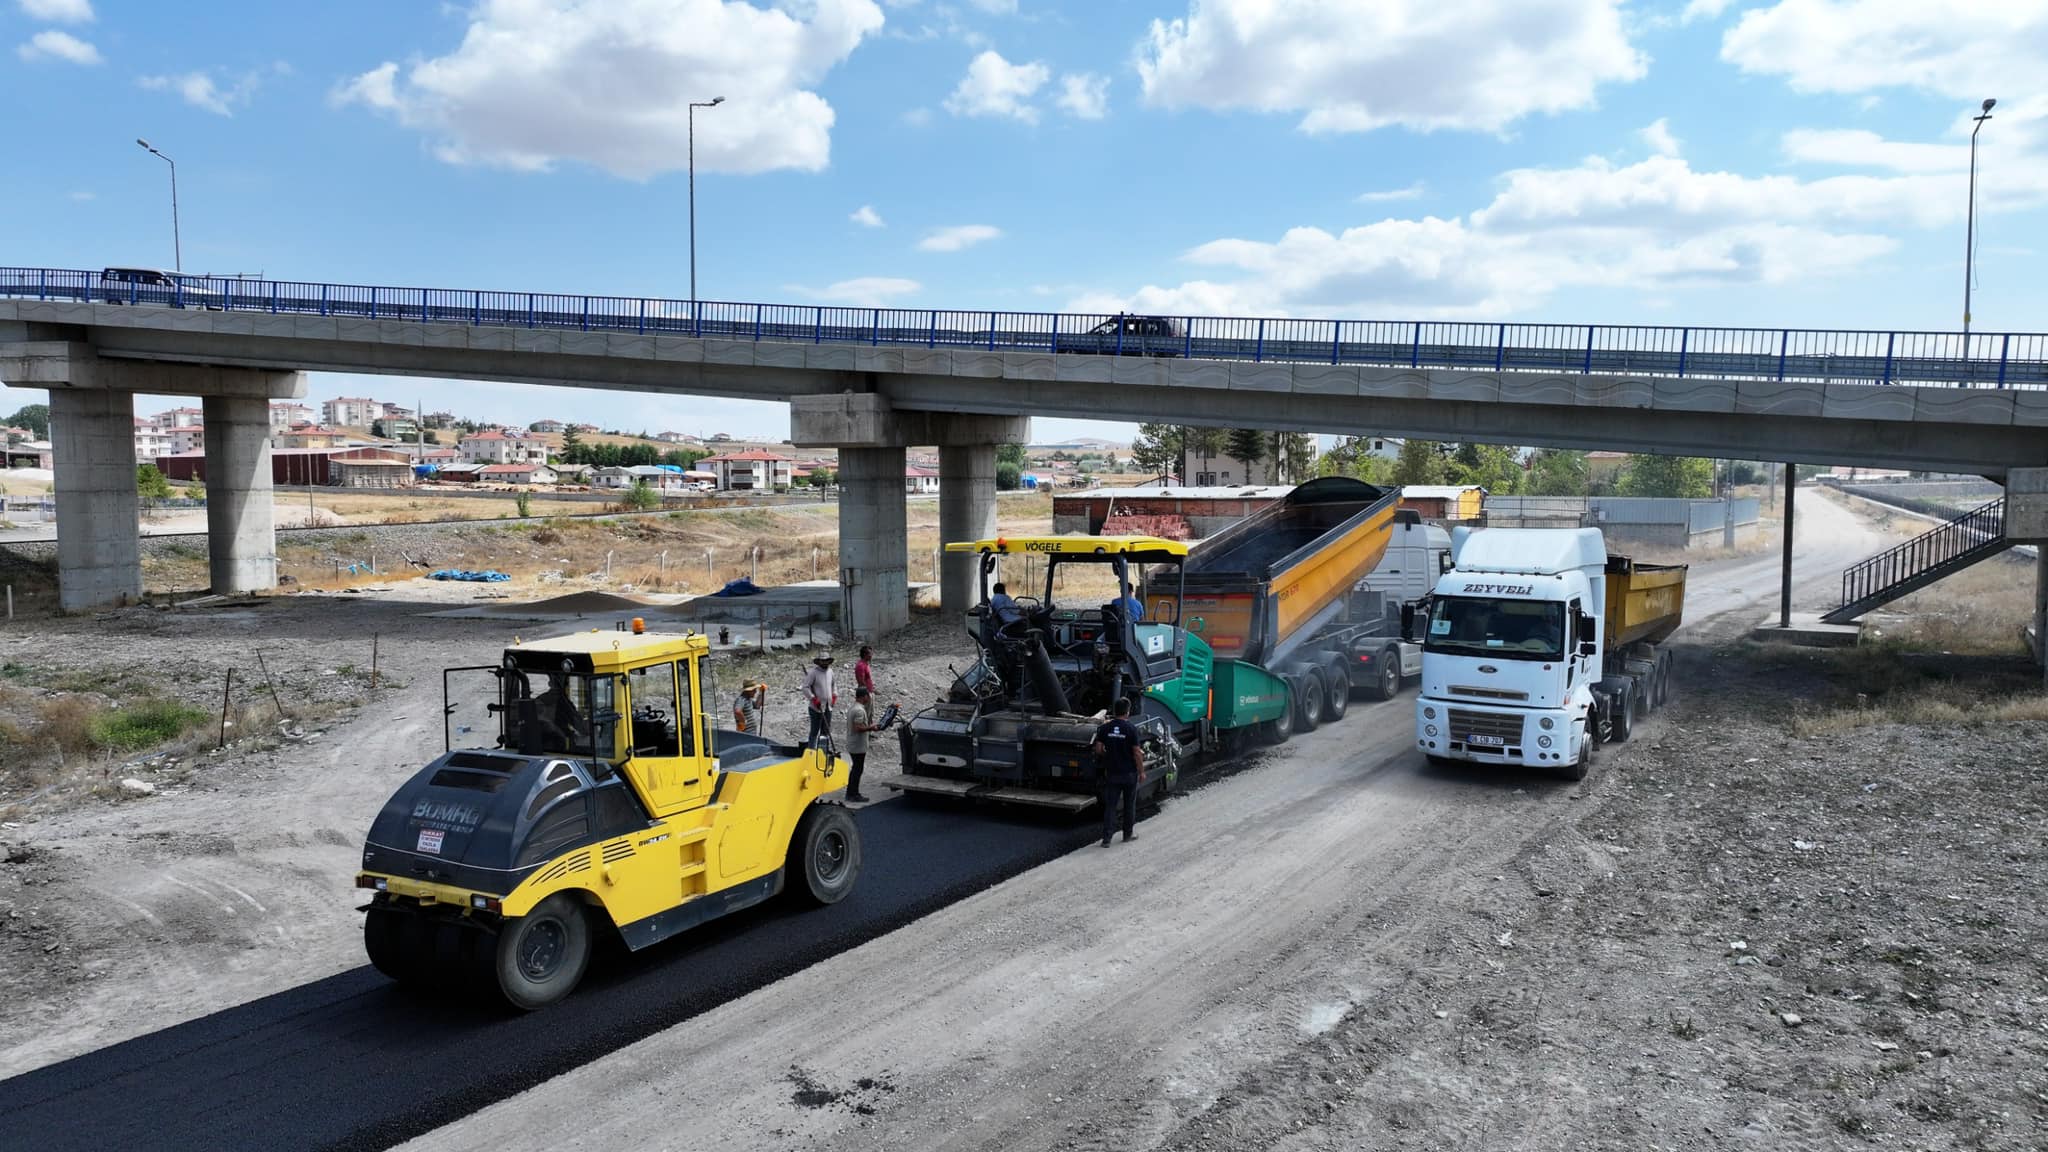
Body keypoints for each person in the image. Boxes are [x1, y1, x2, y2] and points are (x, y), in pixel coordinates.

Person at [1091, 697, 1146, 847]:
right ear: (1127, 712)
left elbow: (1098, 749)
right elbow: (1136, 753)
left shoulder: (1105, 728)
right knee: (1129, 805)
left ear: (1115, 711)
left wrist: (1109, 755)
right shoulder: (1131, 729)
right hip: (1129, 774)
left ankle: (1106, 839)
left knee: (1110, 806)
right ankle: (1127, 834)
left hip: (1112, 773)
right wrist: (1141, 772)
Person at [533, 671, 586, 748]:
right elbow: (579, 726)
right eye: (559, 683)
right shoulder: (563, 702)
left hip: (541, 741)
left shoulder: (539, 700)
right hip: (557, 742)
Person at [844, 686, 876, 803]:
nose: (869, 698)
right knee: (857, 769)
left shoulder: (854, 708)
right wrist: (871, 728)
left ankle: (851, 792)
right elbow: (858, 728)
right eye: (867, 696)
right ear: (864, 697)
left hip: (853, 744)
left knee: (856, 769)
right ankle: (853, 794)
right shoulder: (859, 710)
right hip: (858, 745)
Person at [802, 652, 836, 752]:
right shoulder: (813, 673)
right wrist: (813, 698)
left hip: (828, 707)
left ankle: (823, 751)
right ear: (819, 662)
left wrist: (834, 696)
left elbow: (834, 685)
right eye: (823, 661)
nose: (825, 663)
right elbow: (805, 687)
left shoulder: (830, 671)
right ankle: (811, 751)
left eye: (826, 661)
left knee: (825, 731)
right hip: (815, 708)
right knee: (814, 732)